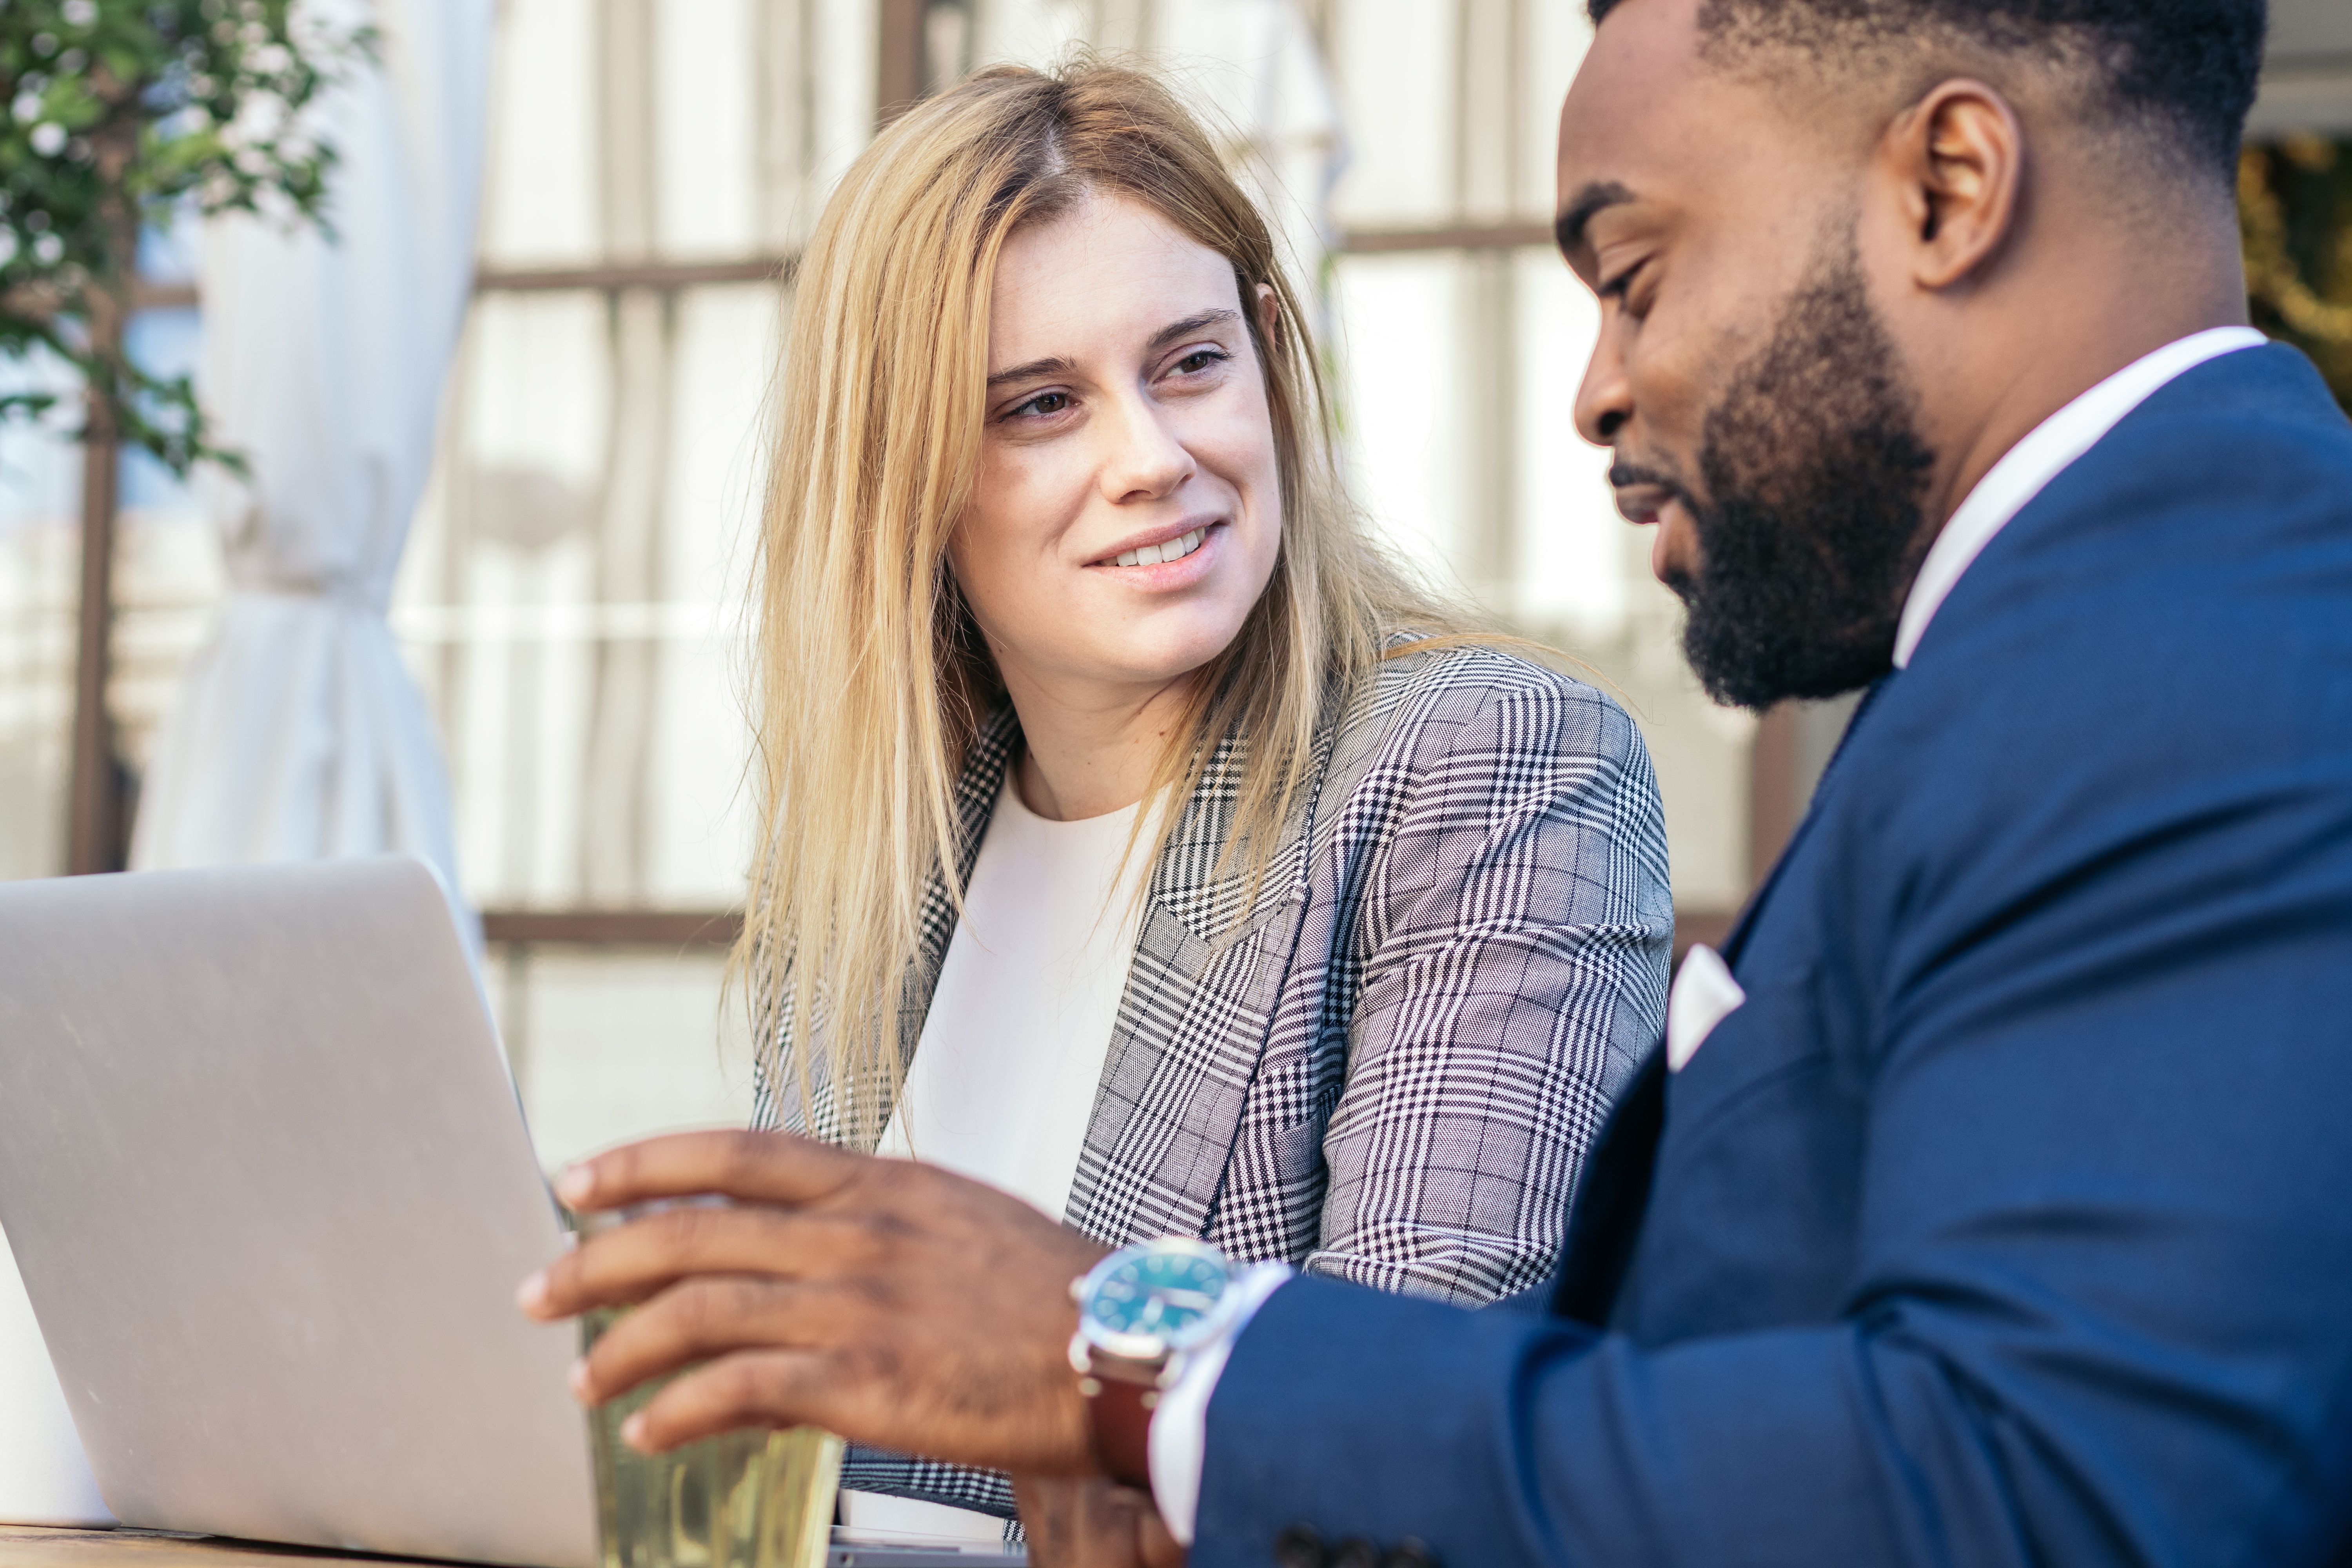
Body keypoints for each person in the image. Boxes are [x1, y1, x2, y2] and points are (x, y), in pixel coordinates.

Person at [519, 0, 2352, 1561]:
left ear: (1951, 187)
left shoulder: (2195, 651)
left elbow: (2036, 1481)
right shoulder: (2079, 647)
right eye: (1038, 403)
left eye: (1635, 276)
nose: (1593, 389)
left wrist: (1126, 1348)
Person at [718, 60, 1671, 1552]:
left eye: (1190, 363)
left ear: (1270, 364)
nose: (1153, 460)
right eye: (1041, 405)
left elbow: (1407, 1460)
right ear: (902, 482)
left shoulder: (1482, 765)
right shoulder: (870, 874)